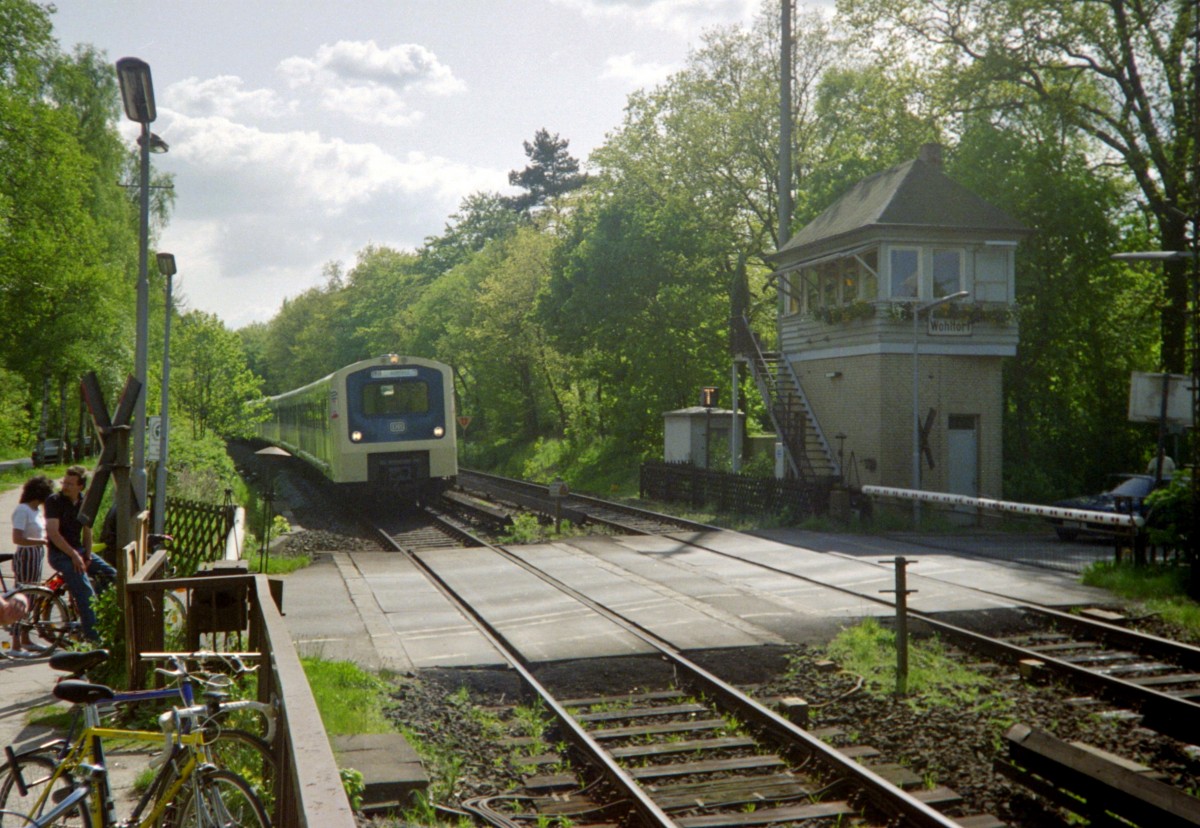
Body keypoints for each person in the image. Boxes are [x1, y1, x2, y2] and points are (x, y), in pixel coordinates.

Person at [45, 466, 116, 641]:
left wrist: (89, 555)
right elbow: (53, 533)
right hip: (60, 554)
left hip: (80, 551)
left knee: (112, 575)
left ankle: (99, 613)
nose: (65, 486)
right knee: (85, 592)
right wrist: (74, 555)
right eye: (64, 482)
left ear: (81, 486)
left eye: (70, 484)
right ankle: (93, 641)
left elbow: (87, 531)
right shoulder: (54, 501)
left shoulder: (85, 502)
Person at [12, 474, 53, 584]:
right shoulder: (23, 510)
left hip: (37, 552)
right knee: (27, 588)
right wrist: (42, 541)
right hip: (27, 554)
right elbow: (17, 538)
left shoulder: (37, 510)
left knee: (35, 588)